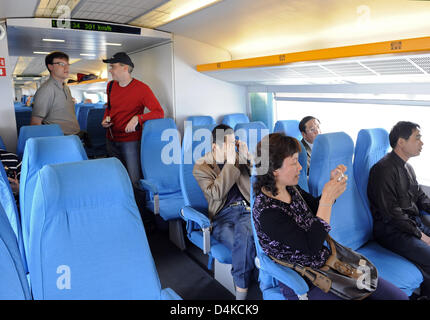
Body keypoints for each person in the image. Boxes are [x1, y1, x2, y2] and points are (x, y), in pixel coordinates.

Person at [252, 132, 408, 300]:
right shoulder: (267, 212)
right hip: (306, 278)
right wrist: (327, 198)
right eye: (294, 162)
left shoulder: (290, 188)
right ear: (274, 170)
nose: (300, 167)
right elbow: (311, 246)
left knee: (396, 297)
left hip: (329, 262)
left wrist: (331, 188)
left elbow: (317, 208)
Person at [368, 121, 430, 298]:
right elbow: (391, 213)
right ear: (401, 142)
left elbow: (420, 197)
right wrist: (421, 236)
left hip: (412, 225)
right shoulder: (382, 170)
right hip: (392, 231)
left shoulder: (408, 167)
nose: (422, 142)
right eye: (417, 138)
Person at [193, 124, 256, 300]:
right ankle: (253, 277)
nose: (233, 149)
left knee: (245, 236)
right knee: (243, 243)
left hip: (247, 210)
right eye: (228, 145)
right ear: (215, 147)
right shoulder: (201, 167)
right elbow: (216, 194)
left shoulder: (238, 157)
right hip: (222, 216)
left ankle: (241, 290)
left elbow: (259, 180)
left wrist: (249, 157)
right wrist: (231, 163)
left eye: (233, 143)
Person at [101, 52, 164, 185]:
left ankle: (138, 206)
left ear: (125, 68)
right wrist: (105, 119)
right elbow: (109, 107)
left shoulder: (142, 89)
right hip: (111, 139)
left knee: (134, 179)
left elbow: (159, 112)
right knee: (116, 178)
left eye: (113, 67)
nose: (110, 70)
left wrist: (138, 118)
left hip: (130, 142)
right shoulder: (110, 86)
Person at [31, 51, 81, 136]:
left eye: (67, 64)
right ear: (50, 67)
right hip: (59, 139)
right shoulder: (46, 90)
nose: (66, 68)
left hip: (73, 136)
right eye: (61, 64)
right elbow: (35, 123)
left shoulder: (66, 87)